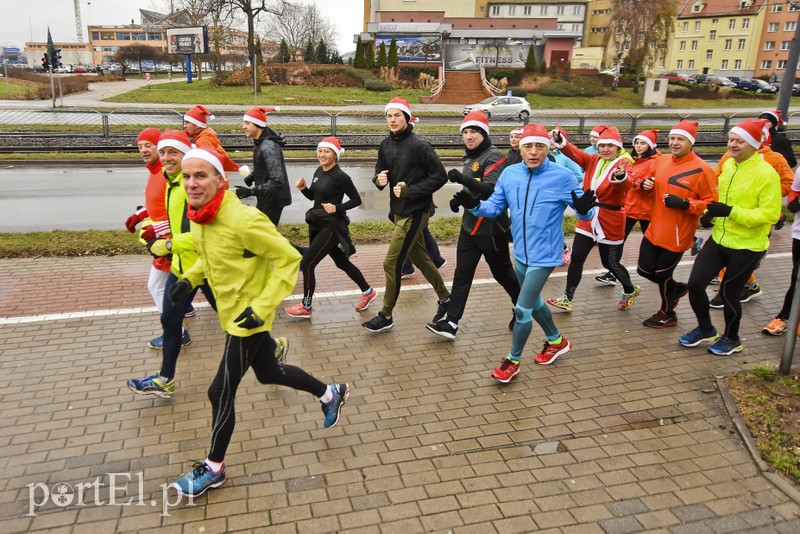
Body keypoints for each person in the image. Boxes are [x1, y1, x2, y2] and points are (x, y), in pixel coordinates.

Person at [167, 147, 349, 497]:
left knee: (219, 391)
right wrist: (189, 279)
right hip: (232, 311)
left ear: (221, 181)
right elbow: (212, 257)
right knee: (269, 373)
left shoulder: (243, 220)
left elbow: (287, 259)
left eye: (200, 175)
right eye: (187, 177)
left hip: (248, 317)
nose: (191, 183)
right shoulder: (204, 216)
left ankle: (214, 468)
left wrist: (262, 307)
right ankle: (330, 393)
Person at [460, 123, 596, 382]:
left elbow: (586, 212)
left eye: (539, 146)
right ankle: (556, 340)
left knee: (521, 309)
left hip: (545, 255)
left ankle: (512, 361)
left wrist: (582, 209)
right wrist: (475, 205)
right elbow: (494, 207)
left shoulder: (562, 177)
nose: (533, 152)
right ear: (520, 149)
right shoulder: (510, 174)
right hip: (520, 253)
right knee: (533, 304)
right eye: (528, 146)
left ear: (547, 149)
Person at [127, 130, 218, 398]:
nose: (165, 157)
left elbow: (203, 234)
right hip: (181, 268)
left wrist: (167, 244)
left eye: (173, 152)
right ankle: (165, 379)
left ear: (185, 154)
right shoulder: (170, 181)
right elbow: (168, 218)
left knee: (232, 319)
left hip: (203, 268)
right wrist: (151, 225)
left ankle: (270, 346)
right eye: (163, 151)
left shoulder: (190, 185)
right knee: (170, 320)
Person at [680, 119, 781, 355]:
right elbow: (717, 199)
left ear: (754, 144)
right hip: (719, 240)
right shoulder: (728, 165)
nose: (732, 145)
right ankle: (706, 329)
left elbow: (771, 214)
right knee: (695, 285)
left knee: (728, 294)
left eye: (739, 141)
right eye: (731, 140)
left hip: (747, 246)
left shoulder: (766, 174)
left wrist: (731, 213)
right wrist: (709, 214)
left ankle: (732, 338)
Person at [426, 110, 520, 339]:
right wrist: (460, 199)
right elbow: (473, 189)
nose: (469, 136)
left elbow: (491, 190)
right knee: (462, 274)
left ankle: (523, 308)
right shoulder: (470, 155)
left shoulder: (494, 156)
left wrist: (463, 179)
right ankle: (451, 323)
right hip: (469, 226)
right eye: (465, 132)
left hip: (491, 228)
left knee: (503, 273)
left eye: (474, 132)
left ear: (484, 133)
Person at [361, 96, 450, 333]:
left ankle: (386, 315)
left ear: (407, 117)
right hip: (398, 212)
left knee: (391, 263)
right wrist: (378, 179)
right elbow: (381, 170)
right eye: (389, 116)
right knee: (421, 258)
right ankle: (446, 298)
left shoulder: (420, 146)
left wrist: (412, 191)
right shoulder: (385, 145)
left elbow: (440, 176)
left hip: (416, 212)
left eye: (396, 115)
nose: (392, 120)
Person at [547, 125, 641, 312]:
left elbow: (626, 186)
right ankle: (567, 298)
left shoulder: (624, 164)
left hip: (611, 219)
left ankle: (630, 290)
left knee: (610, 263)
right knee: (577, 258)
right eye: (602, 145)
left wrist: (620, 177)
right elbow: (574, 152)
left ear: (618, 147)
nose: (605, 149)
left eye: (610, 146)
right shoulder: (592, 160)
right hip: (589, 216)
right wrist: (560, 140)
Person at [283, 137, 378, 318]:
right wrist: (304, 188)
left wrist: (337, 208)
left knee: (307, 263)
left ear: (335, 155)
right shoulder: (319, 171)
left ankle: (306, 306)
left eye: (327, 151)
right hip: (318, 223)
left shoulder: (341, 176)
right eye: (320, 151)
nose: (322, 155)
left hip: (332, 226)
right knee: (342, 262)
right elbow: (313, 197)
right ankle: (368, 291)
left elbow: (356, 200)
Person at [636, 120, 717, 329]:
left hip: (678, 234)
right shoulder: (661, 161)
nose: (674, 142)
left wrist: (686, 204)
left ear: (690, 142)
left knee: (662, 275)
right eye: (672, 138)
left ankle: (667, 312)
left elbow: (712, 205)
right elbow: (647, 183)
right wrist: (646, 185)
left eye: (680, 139)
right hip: (655, 228)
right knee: (644, 271)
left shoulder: (702, 169)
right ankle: (677, 289)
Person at [708, 120, 794, 307]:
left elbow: (788, 182)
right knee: (727, 253)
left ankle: (728, 291)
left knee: (741, 256)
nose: (734, 144)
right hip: (727, 217)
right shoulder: (730, 157)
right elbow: (714, 178)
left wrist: (766, 195)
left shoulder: (775, 159)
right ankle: (750, 285)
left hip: (756, 218)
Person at [123, 128, 177, 348]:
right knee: (170, 286)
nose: (143, 150)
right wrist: (140, 214)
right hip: (166, 241)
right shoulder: (156, 172)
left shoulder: (166, 174)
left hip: (170, 242)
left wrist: (160, 228)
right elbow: (158, 204)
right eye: (140, 146)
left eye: (149, 145)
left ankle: (176, 332)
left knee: (157, 286)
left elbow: (178, 210)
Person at [594, 130, 660, 286]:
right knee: (618, 242)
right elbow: (630, 179)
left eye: (642, 143)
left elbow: (659, 181)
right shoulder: (631, 160)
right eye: (636, 143)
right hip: (630, 208)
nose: (638, 146)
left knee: (652, 242)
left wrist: (649, 183)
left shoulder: (657, 161)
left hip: (647, 211)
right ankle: (613, 272)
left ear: (650, 145)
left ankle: (659, 270)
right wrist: (637, 182)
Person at [236, 106, 292, 225]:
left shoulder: (269, 147)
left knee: (263, 235)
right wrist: (253, 176)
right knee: (261, 233)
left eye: (247, 123)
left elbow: (277, 180)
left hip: (273, 200)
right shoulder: (260, 141)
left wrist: (251, 192)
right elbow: (266, 168)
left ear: (257, 124)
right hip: (267, 197)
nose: (243, 127)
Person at [763, 172, 800, 335]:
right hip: (799, 235)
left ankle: (785, 317)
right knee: (797, 278)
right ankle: (786, 317)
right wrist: (793, 202)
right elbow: (795, 190)